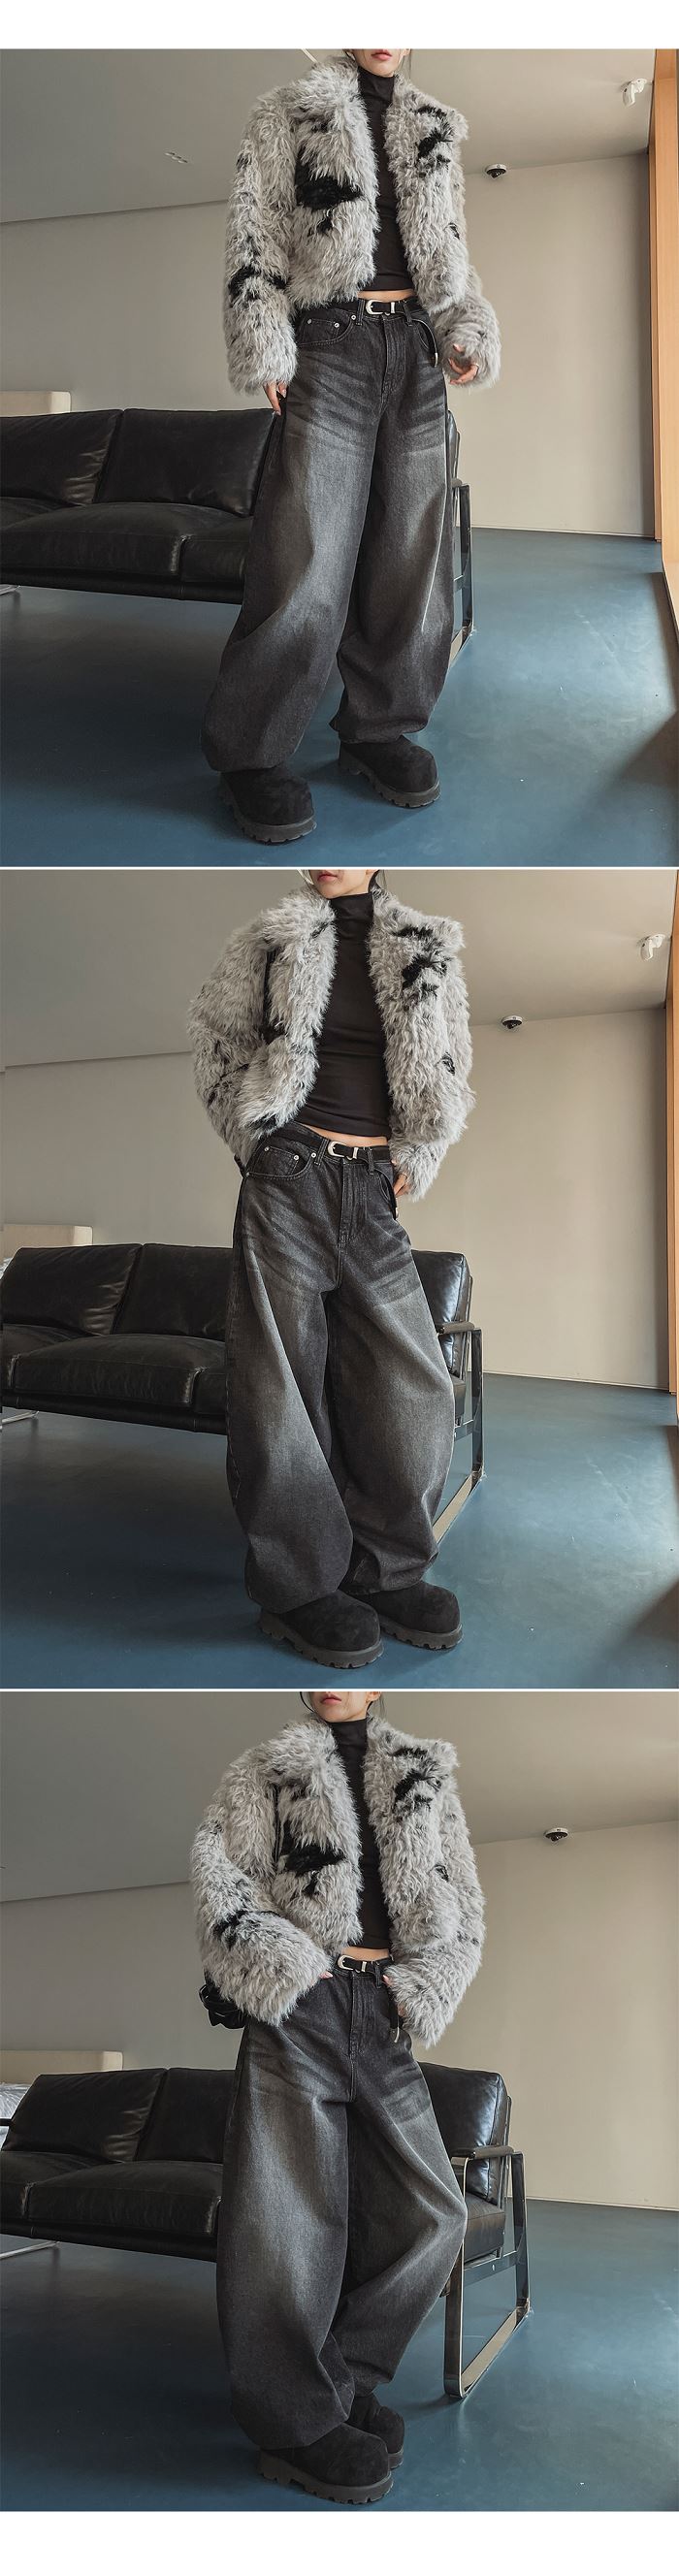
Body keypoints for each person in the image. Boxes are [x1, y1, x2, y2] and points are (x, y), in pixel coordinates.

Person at [201, 46, 501, 843]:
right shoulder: (288, 111)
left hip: (420, 349)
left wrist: (464, 326)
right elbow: (255, 230)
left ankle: (380, 728)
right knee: (304, 557)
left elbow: (450, 250)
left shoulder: (436, 125)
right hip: (330, 343)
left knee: (412, 556)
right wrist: (266, 342)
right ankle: (252, 754)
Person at [192, 1685, 483, 2503]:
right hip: (300, 2008)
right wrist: (286, 1966)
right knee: (285, 2222)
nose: (333, 1682)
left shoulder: (426, 1771)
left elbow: (463, 1902)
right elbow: (222, 1877)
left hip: (386, 2011)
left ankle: (340, 2381)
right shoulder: (266, 1767)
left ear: (377, 1683)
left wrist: (421, 1986)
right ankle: (294, 2425)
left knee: (436, 2213)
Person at [188, 863, 473, 1667]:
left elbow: (450, 1065)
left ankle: (386, 1570)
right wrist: (255, 1142)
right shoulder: (271, 937)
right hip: (290, 1173)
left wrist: (419, 1156)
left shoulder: (426, 944)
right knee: (280, 1387)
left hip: (375, 1187)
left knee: (413, 1385)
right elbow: (216, 1044)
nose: (325, 858)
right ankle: (299, 1586)